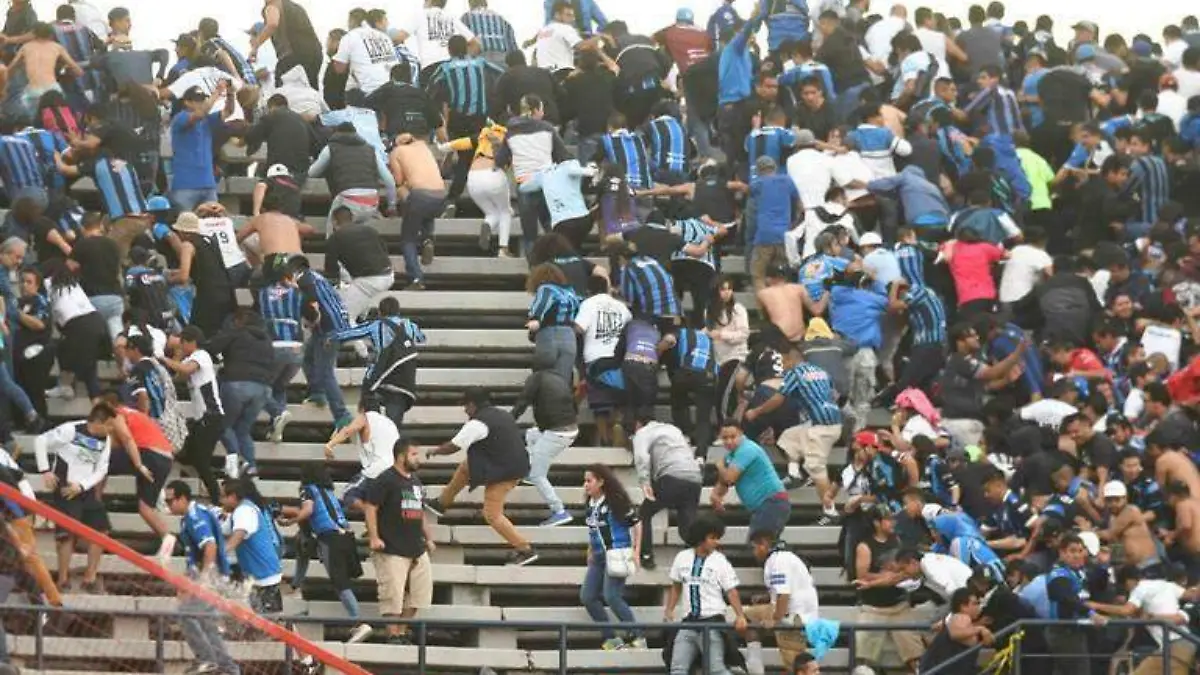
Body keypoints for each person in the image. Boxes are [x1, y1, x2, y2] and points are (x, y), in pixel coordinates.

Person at [426, 388, 537, 566]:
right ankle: (442, 502)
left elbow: (454, 446)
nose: (464, 410)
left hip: (504, 472)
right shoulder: (501, 414)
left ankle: (525, 549)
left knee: (492, 514)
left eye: (465, 405)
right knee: (466, 467)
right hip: (511, 463)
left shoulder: (478, 424)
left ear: (472, 404)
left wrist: (435, 451)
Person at [277, 463, 372, 644]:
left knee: (340, 582)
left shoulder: (307, 489)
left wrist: (291, 522)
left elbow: (308, 510)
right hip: (346, 536)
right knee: (303, 544)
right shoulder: (327, 491)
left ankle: (358, 622)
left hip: (330, 538)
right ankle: (296, 586)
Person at [745, 346, 843, 519]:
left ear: (791, 359)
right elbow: (835, 394)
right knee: (789, 436)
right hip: (830, 420)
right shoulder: (820, 371)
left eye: (783, 362)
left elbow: (777, 399)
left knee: (816, 468)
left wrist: (756, 411)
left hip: (822, 427)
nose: (782, 367)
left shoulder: (795, 373)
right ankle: (793, 473)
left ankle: (830, 512)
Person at [35, 404, 116, 593]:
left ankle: (90, 578)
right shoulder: (70, 429)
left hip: (85, 488)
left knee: (101, 530)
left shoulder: (107, 440)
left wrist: (82, 486)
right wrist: (45, 471)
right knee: (66, 534)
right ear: (97, 422)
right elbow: (40, 441)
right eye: (109, 425)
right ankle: (63, 580)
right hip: (65, 487)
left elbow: (102, 469)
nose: (112, 429)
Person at [163, 480, 240, 675]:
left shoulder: (195, 517)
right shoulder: (189, 516)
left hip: (211, 577)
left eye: (170, 501)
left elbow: (210, 546)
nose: (168, 505)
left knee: (186, 614)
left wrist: (203, 581)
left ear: (182, 498)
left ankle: (207, 660)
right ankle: (227, 669)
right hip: (211, 575)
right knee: (207, 625)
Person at [363, 437, 434, 646]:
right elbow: (370, 507)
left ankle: (401, 632)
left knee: (420, 595)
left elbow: (420, 512)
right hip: (391, 547)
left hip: (416, 547)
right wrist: (374, 537)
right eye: (413, 454)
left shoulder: (415, 481)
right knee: (392, 596)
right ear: (401, 455)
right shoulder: (385, 479)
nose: (417, 458)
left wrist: (429, 538)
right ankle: (392, 634)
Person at [664, 515, 748, 675]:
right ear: (701, 538)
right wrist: (670, 609)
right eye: (713, 538)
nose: (717, 542)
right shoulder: (682, 558)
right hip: (688, 623)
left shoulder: (720, 561)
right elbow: (676, 585)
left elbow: (731, 590)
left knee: (716, 669)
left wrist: (740, 615)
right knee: (677, 669)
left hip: (711, 622)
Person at [510, 346, 577, 527]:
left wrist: (508, 421)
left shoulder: (537, 378)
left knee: (538, 474)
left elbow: (522, 402)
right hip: (567, 428)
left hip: (557, 433)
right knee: (531, 434)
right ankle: (529, 472)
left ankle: (559, 511)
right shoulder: (560, 378)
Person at [581, 463, 645, 650]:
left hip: (616, 553)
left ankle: (637, 635)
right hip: (598, 557)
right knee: (588, 597)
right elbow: (592, 529)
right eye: (584, 481)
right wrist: (590, 550)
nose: (585, 485)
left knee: (612, 596)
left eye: (589, 481)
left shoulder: (615, 500)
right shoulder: (589, 504)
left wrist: (636, 551)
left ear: (601, 482)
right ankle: (610, 638)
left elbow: (637, 524)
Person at [206, 309, 274, 478]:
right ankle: (251, 465)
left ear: (239, 321)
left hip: (237, 383)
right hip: (262, 389)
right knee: (243, 430)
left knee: (223, 424)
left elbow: (212, 347)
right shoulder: (267, 340)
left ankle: (236, 460)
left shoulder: (237, 333)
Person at [159, 326, 224, 501]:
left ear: (191, 342)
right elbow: (178, 377)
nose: (181, 349)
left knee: (201, 461)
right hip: (200, 418)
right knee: (186, 455)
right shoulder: (192, 359)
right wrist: (176, 359)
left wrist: (163, 359)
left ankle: (216, 495)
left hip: (210, 416)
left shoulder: (200, 355)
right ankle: (210, 484)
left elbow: (186, 370)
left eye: (182, 344)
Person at [744, 529, 819, 674]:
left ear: (763, 544)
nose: (753, 552)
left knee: (795, 666)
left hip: (794, 615)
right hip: (792, 609)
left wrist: (775, 620)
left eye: (754, 547)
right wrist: (766, 597)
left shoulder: (778, 561)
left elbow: (783, 594)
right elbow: (785, 588)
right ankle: (755, 669)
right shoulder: (783, 557)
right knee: (748, 617)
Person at [711, 423, 791, 538]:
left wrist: (720, 466)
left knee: (760, 546)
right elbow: (723, 482)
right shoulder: (731, 456)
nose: (729, 441)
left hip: (771, 502)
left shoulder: (747, 449)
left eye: (733, 437)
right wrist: (716, 495)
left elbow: (729, 478)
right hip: (763, 506)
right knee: (762, 546)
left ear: (741, 435)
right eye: (725, 438)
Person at [389, 133, 445, 290]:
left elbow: (398, 180)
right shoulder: (425, 148)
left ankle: (416, 279)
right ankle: (427, 239)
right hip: (440, 196)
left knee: (408, 240)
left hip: (419, 197)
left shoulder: (397, 152)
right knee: (424, 209)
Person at [220, 478, 284, 616]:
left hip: (264, 576)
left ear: (233, 496)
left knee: (271, 625)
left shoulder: (244, 510)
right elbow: (222, 530)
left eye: (223, 496)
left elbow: (238, 535)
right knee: (263, 622)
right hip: (256, 576)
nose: (221, 501)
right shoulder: (238, 511)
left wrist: (220, 554)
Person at [169, 83, 235, 211]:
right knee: (186, 225)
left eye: (203, 100)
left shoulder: (208, 120)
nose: (202, 103)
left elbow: (228, 111)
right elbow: (199, 114)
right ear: (187, 102)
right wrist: (217, 92)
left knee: (212, 225)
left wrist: (230, 93)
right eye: (197, 100)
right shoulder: (180, 118)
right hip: (185, 185)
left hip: (208, 184)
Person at [10, 22, 84, 117]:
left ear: (34, 34)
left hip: (34, 91)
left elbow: (10, 69)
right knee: (58, 118)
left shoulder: (26, 47)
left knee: (31, 119)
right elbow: (78, 71)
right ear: (51, 34)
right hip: (53, 89)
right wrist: (65, 71)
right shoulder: (57, 47)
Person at [918, 588, 994, 675]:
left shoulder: (961, 622)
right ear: (963, 606)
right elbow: (955, 633)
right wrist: (980, 629)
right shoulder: (961, 617)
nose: (978, 607)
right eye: (975, 603)